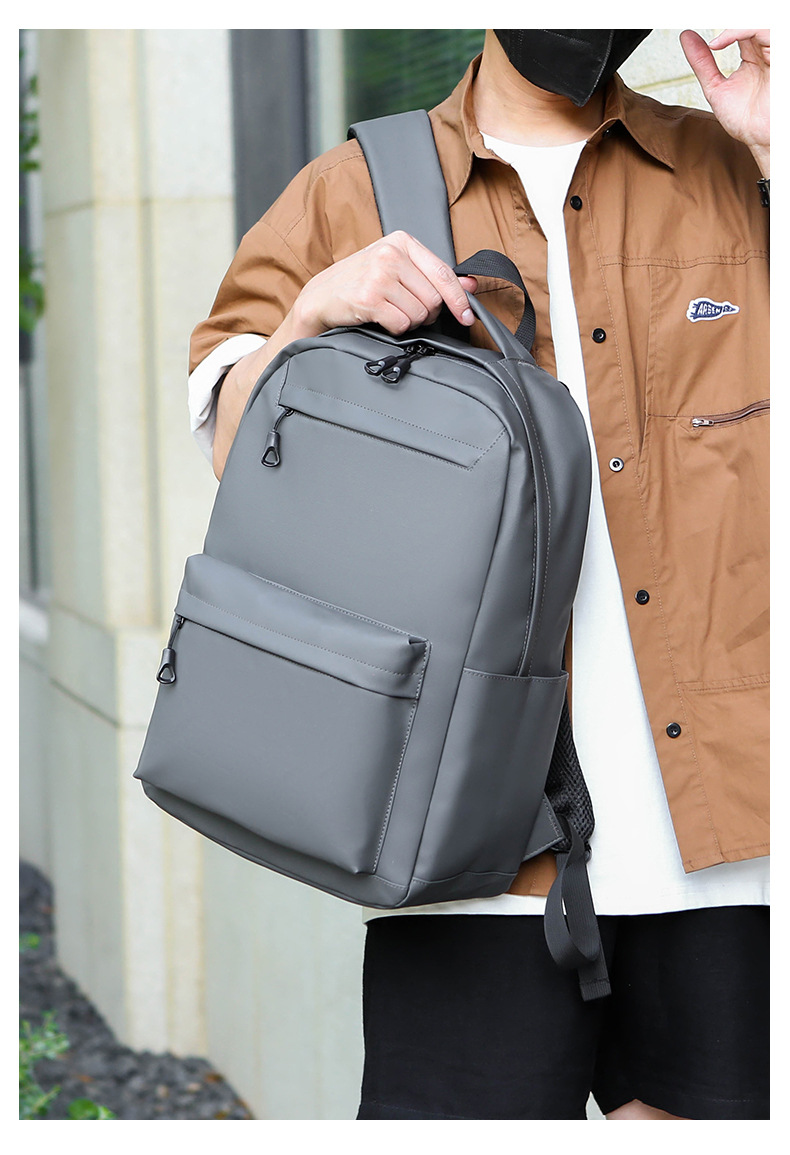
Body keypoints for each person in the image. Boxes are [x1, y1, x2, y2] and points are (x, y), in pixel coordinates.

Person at [187, 29, 769, 1120]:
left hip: (737, 845)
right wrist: (311, 316)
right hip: (465, 847)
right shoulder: (354, 186)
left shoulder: (736, 165)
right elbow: (234, 447)